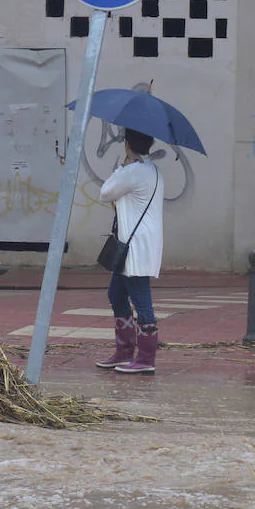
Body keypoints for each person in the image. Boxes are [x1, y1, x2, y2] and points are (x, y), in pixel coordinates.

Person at [95, 129, 164, 375]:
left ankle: (146, 357)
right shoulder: (152, 170)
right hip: (134, 245)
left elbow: (105, 192)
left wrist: (122, 167)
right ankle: (124, 351)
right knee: (116, 294)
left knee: (141, 301)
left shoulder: (133, 171)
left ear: (126, 144)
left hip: (135, 247)